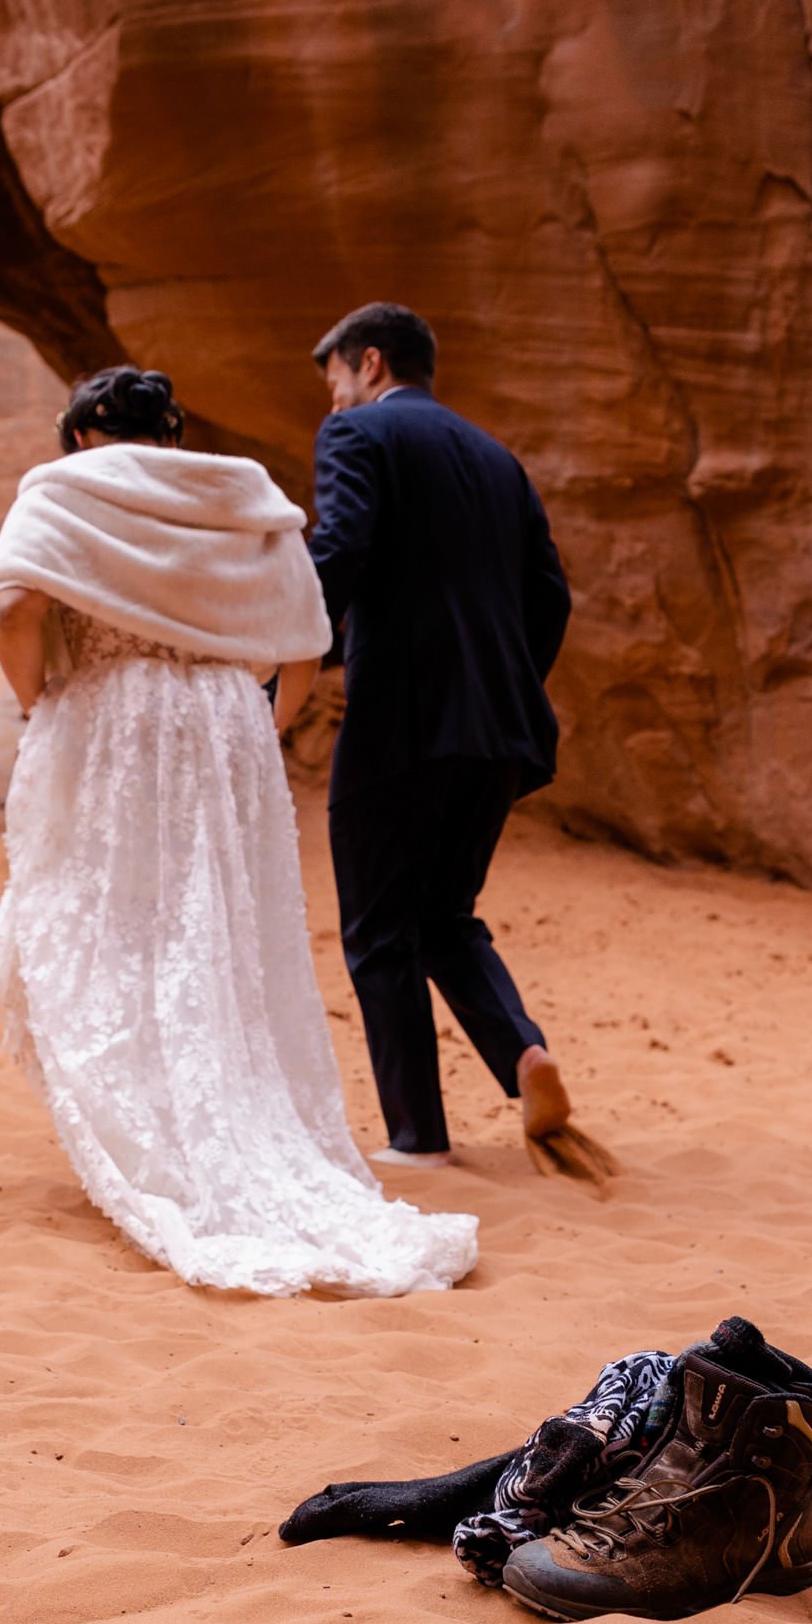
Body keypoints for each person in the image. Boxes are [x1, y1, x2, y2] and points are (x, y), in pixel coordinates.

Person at [0, 364, 477, 1298]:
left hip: (116, 721)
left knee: (113, 917)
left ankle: (156, 1131)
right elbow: (305, 633)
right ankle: (227, 1121)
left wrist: (35, 694)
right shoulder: (236, 491)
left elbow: (13, 605)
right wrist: (261, 724)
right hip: (221, 728)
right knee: (210, 924)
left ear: (81, 432)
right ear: (167, 433)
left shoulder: (65, 488)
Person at [308, 302, 579, 1171]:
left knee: (378, 927)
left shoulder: (358, 438)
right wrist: (503, 681)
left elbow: (340, 551)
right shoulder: (498, 460)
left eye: (337, 383)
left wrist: (286, 651)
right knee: (442, 914)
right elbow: (550, 595)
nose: (336, 402)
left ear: (370, 363)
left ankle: (416, 1137)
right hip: (500, 725)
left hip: (401, 717)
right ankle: (522, 1052)